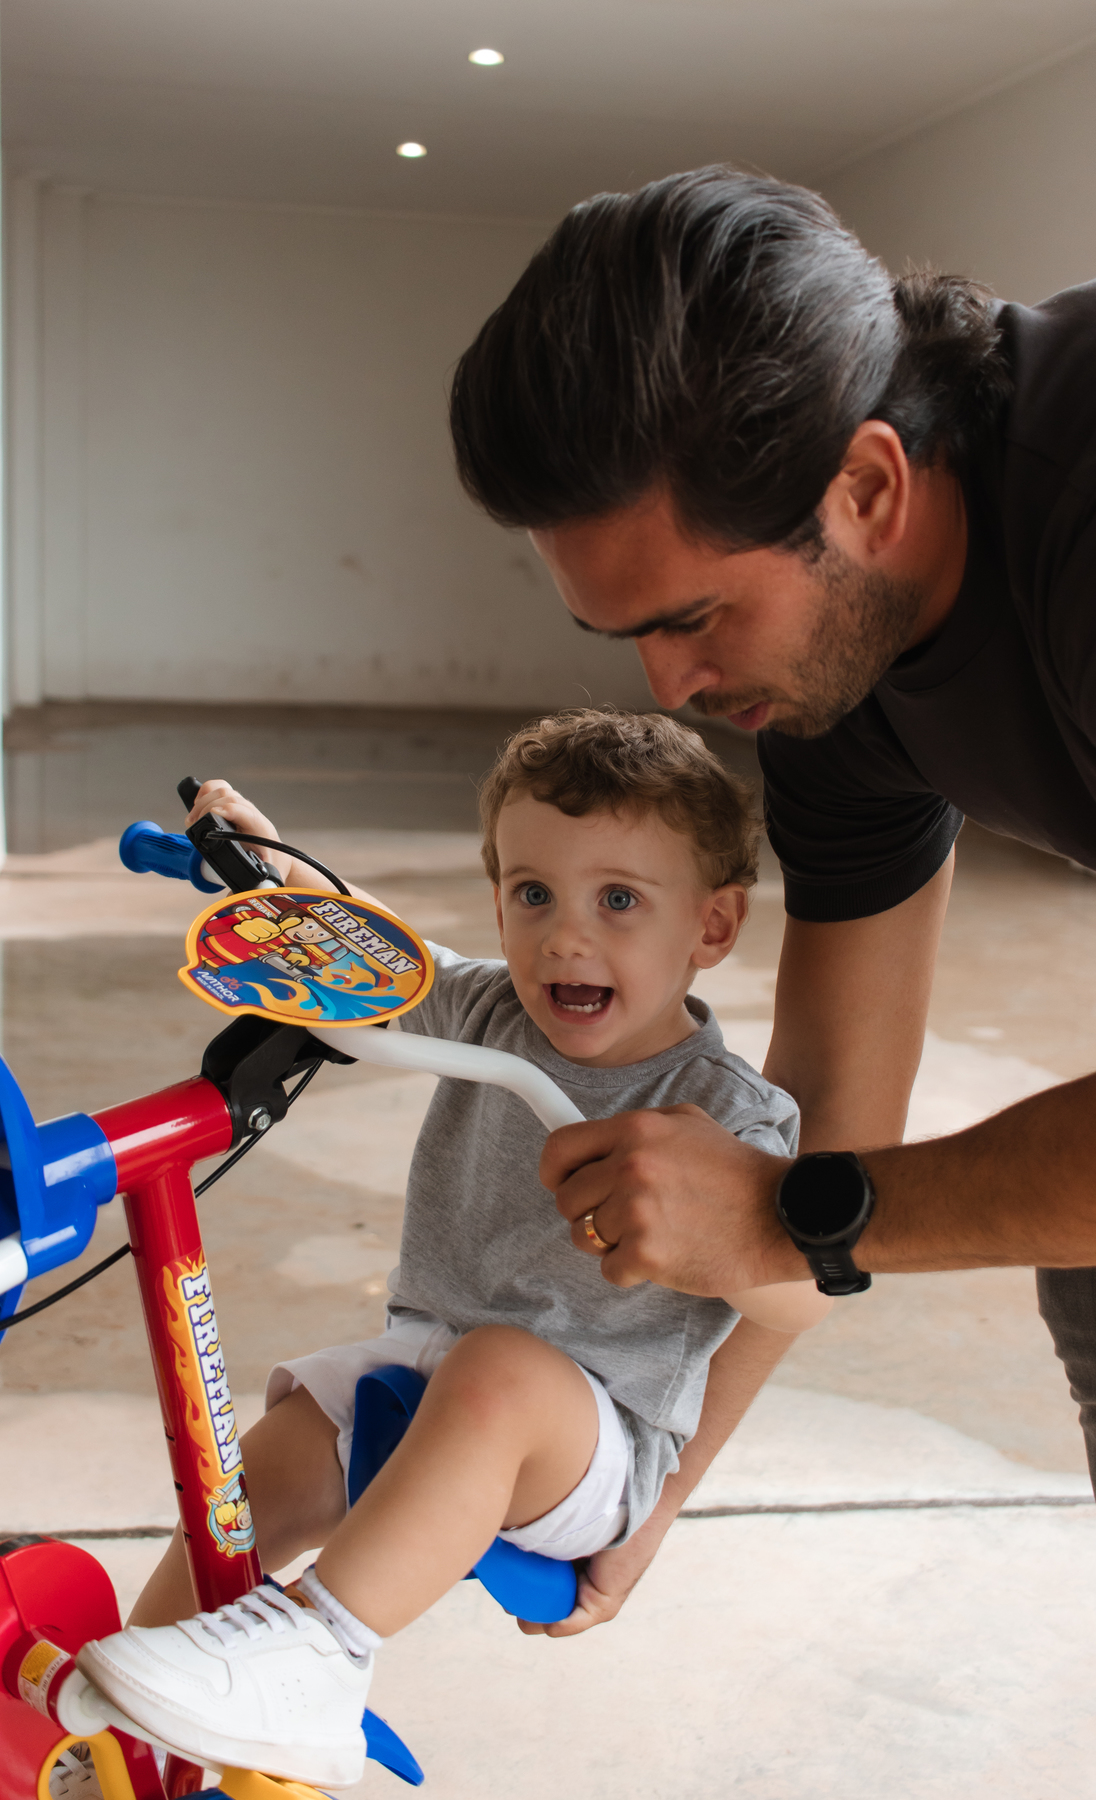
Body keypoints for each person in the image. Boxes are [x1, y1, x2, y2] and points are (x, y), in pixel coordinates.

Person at [447, 163, 1096, 1484]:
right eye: (629, 635)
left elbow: (799, 1202)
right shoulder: (832, 673)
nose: (669, 688)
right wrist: (647, 1496)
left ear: (868, 488)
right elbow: (828, 1122)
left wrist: (801, 1215)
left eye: (693, 617)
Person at [75, 710, 828, 1786]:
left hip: (592, 1437)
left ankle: (317, 1654)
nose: (565, 937)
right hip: (429, 1363)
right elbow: (379, 958)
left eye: (619, 900)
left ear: (712, 925)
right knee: (261, 1471)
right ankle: (126, 1721)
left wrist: (728, 1239)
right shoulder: (491, 1010)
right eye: (534, 894)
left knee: (498, 1372)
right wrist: (277, 871)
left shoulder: (729, 1115)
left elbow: (807, 1296)